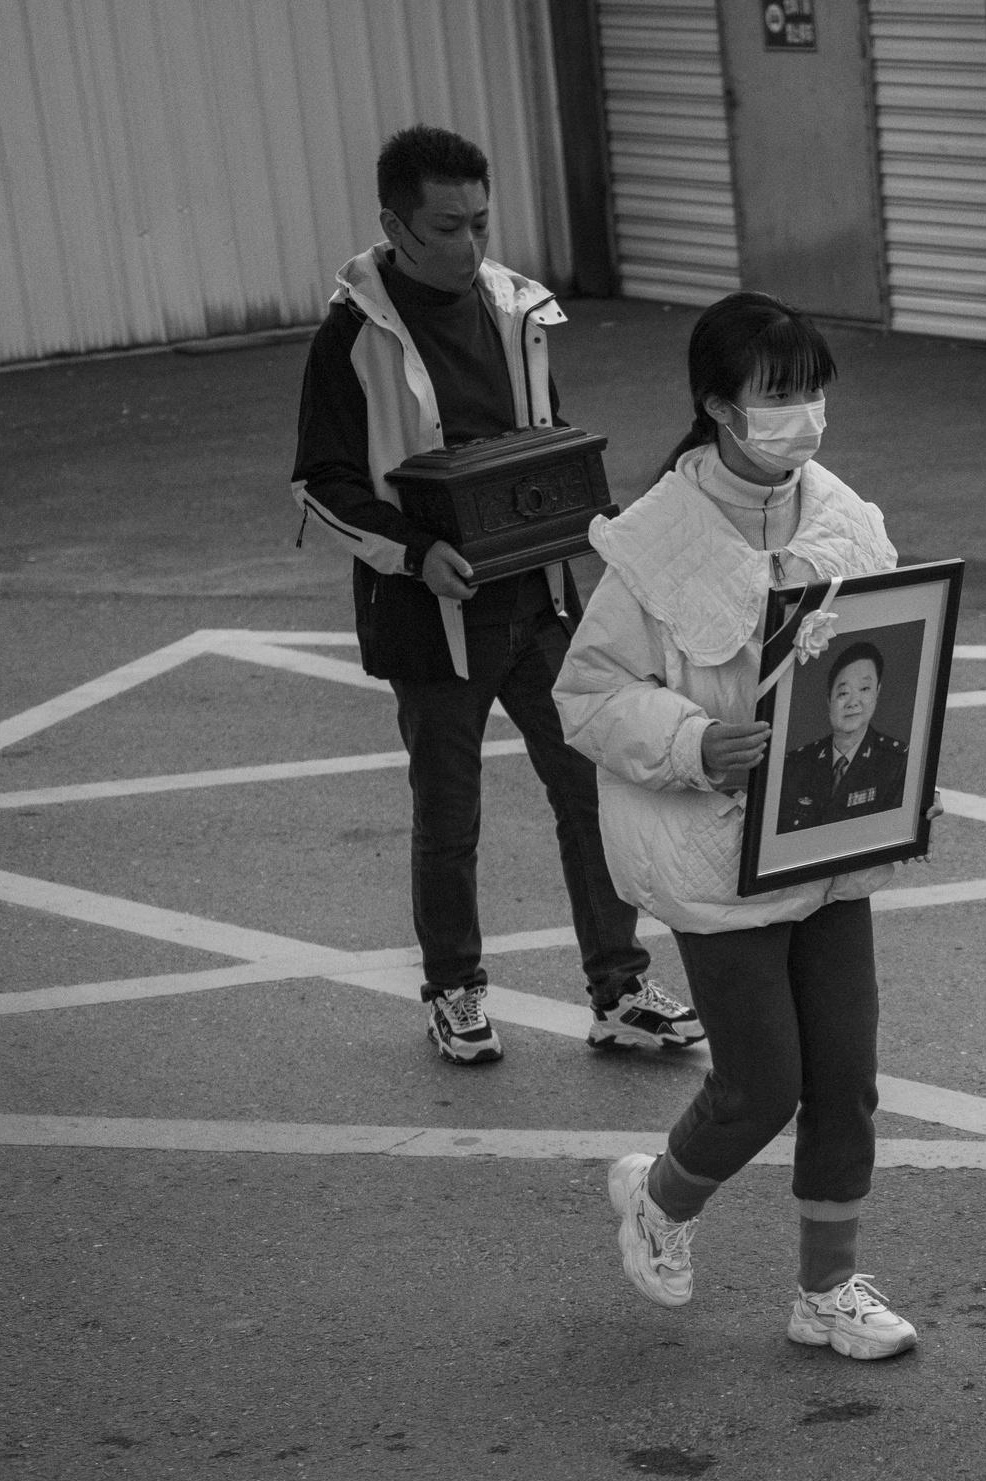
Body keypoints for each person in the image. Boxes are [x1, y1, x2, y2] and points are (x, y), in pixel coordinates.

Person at [556, 293, 920, 1361]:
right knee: (764, 1082)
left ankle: (827, 1291)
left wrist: (902, 779)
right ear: (716, 405)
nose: (801, 414)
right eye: (775, 395)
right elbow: (586, 696)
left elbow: (891, 667)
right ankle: (662, 1200)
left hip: (829, 842)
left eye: (811, 390)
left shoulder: (846, 516)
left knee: (845, 1075)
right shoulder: (652, 543)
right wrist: (690, 741)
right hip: (715, 855)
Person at [289, 124, 698, 1067]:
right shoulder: (351, 336)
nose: (472, 245)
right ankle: (456, 992)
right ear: (394, 225)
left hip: (541, 604)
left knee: (592, 790)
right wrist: (413, 552)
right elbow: (320, 485)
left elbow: (546, 442)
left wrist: (585, 524)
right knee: (449, 814)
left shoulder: (519, 308)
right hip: (432, 619)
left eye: (482, 221)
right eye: (448, 227)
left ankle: (620, 988)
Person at [778, 642, 912, 831]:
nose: (853, 702)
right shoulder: (796, 764)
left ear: (877, 692)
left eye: (864, 689)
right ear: (829, 700)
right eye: (843, 693)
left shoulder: (898, 763)